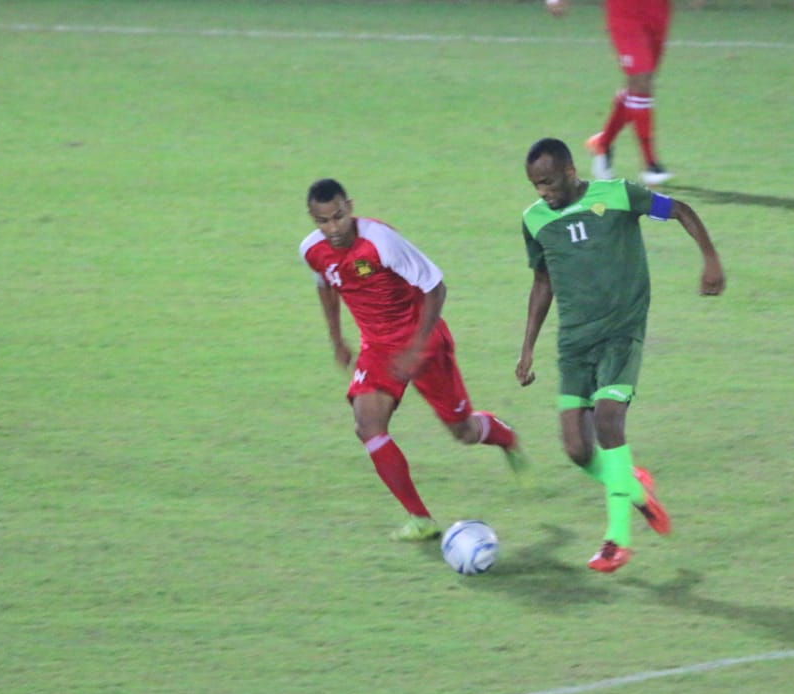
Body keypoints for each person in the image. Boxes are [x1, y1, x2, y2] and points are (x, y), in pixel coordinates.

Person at [517, 137, 724, 572]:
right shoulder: (535, 220)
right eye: (536, 184)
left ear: (570, 172)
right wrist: (527, 348)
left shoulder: (618, 195)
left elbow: (680, 210)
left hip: (620, 332)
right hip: (574, 342)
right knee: (577, 450)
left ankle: (617, 540)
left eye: (549, 182)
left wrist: (710, 259)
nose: (543, 192)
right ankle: (633, 487)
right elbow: (542, 282)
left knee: (609, 422)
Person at [299, 178, 525, 543]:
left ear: (350, 207)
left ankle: (503, 434)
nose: (333, 228)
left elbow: (435, 287)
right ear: (313, 219)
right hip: (377, 348)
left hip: (424, 341)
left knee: (463, 432)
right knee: (367, 426)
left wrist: (416, 348)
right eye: (322, 221)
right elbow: (325, 284)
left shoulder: (381, 242)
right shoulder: (312, 250)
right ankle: (420, 519)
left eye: (338, 216)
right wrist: (336, 338)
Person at [545, 0, 675, 185]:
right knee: (641, 79)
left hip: (658, 11)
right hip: (624, 12)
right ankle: (650, 163)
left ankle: (602, 143)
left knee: (640, 85)